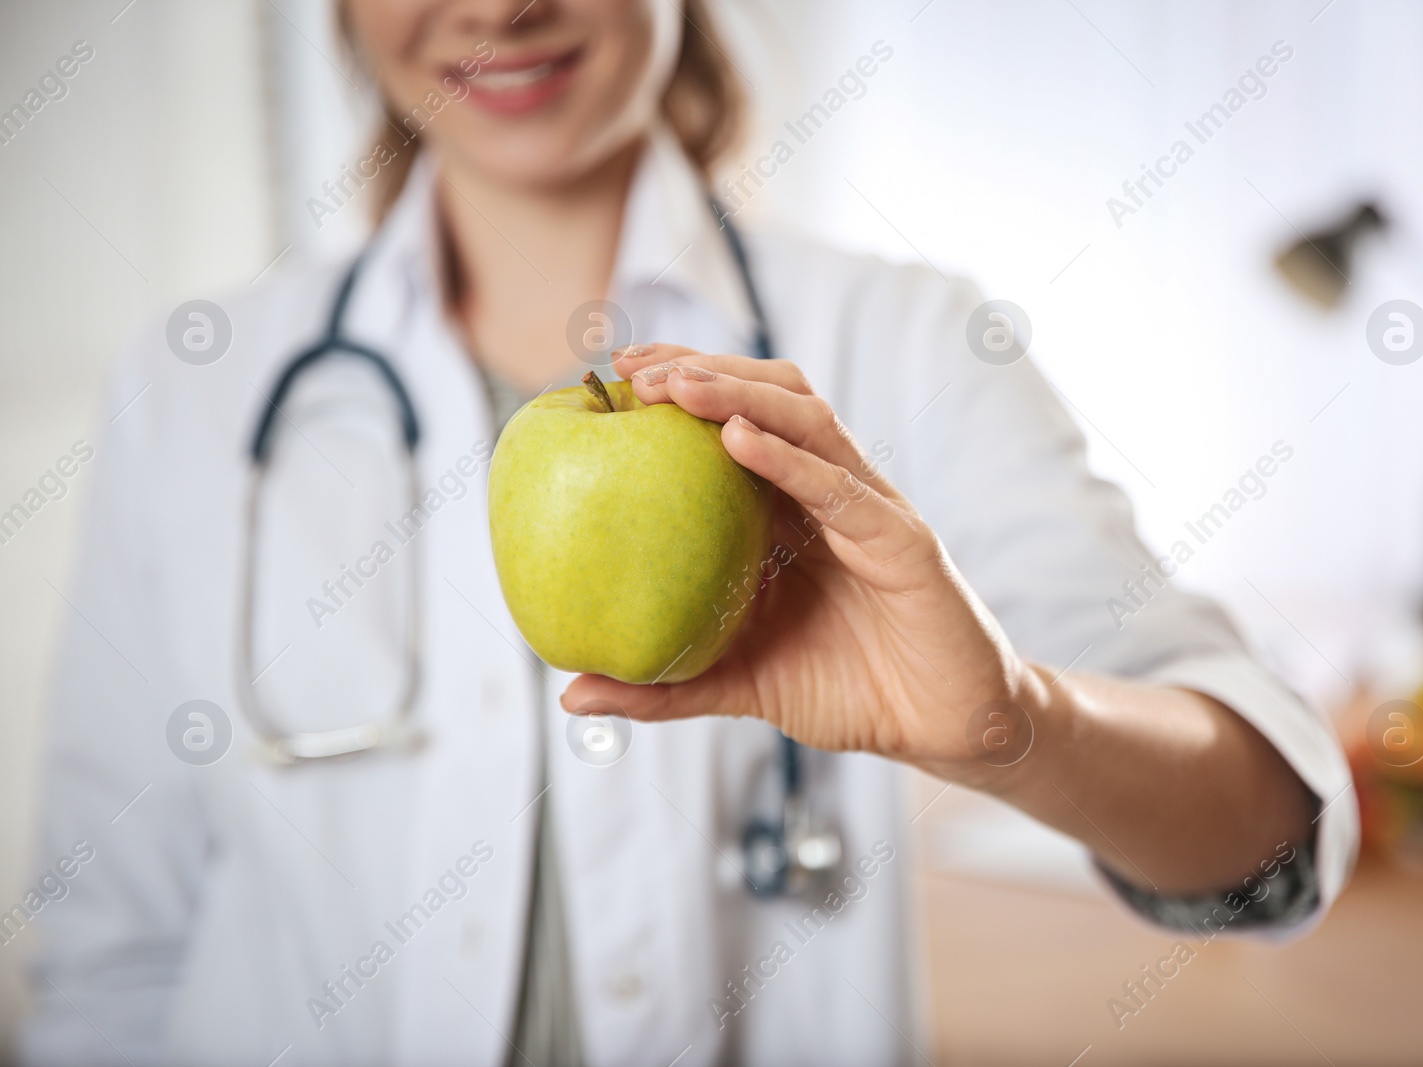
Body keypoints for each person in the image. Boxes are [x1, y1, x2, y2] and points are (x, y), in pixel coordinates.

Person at [22, 1, 1356, 1064]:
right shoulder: (194, 387)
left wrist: (1013, 725)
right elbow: (109, 945)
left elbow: (1268, 857)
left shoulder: (911, 344)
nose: (502, 4)